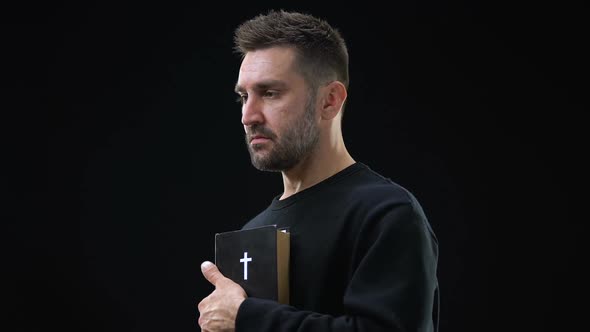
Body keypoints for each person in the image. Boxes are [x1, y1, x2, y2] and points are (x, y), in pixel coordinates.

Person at [197, 9, 439, 332]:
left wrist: (247, 318)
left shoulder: (387, 215)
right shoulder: (253, 233)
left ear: (329, 101)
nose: (248, 115)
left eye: (269, 93)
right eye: (243, 96)